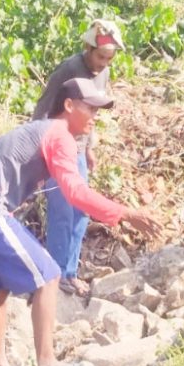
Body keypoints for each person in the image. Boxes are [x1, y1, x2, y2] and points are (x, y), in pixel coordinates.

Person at [0, 78, 161, 366]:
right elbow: (75, 192)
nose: (94, 118)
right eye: (90, 109)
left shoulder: (42, 130)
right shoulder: (59, 134)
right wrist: (124, 213)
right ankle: (47, 363)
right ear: (68, 105)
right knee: (50, 275)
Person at [32, 20, 125, 296]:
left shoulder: (103, 73)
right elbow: (43, 107)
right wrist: (38, 152)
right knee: (61, 213)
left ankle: (69, 271)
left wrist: (90, 147)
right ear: (88, 48)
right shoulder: (69, 70)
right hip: (57, 146)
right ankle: (56, 273)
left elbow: (92, 111)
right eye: (100, 57)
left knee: (80, 213)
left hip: (78, 148)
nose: (103, 64)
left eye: (109, 59)